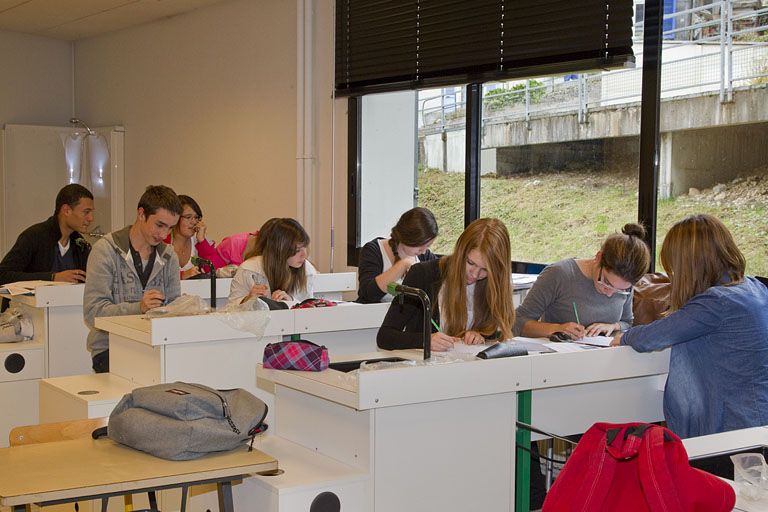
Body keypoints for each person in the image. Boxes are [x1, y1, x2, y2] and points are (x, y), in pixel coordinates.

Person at [612, 214, 768, 439]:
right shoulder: (754, 287)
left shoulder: (716, 303)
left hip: (733, 429)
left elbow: (655, 335)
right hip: (756, 418)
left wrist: (623, 337)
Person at [83, 185, 182, 373]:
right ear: (141, 214)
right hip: (110, 349)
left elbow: (174, 307)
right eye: (159, 225)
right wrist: (139, 308)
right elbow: (93, 313)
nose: (164, 235)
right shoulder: (105, 251)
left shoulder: (169, 256)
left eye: (170, 228)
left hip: (156, 347)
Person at [377, 218, 515, 351]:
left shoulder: (494, 286)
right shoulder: (423, 275)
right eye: (470, 263)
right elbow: (385, 337)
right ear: (460, 252)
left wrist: (479, 336)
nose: (474, 274)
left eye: (485, 270)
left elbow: (496, 334)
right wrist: (425, 340)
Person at [514, 223, 651, 339]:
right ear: (599, 257)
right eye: (606, 283)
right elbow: (518, 322)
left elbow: (627, 322)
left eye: (620, 291)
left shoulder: (626, 283)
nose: (609, 293)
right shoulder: (559, 274)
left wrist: (613, 326)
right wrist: (557, 328)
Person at [0, 184, 94, 286]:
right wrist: (52, 277)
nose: (91, 218)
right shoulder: (33, 236)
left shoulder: (81, 245)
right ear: (66, 210)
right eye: (86, 212)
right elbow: (3, 275)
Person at [356, 207, 439, 303]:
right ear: (407, 237)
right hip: (373, 315)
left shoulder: (425, 256)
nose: (424, 251)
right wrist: (403, 264)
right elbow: (368, 294)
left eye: (428, 246)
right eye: (420, 246)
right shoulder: (373, 250)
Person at [228, 218, 317, 304]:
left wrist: (291, 301)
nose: (304, 255)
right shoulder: (249, 270)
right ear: (280, 250)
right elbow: (229, 310)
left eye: (304, 247)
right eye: (297, 250)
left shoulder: (307, 270)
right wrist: (247, 300)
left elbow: (309, 310)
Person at [166, 195, 227, 279]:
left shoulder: (198, 239)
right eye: (188, 217)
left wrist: (202, 241)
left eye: (196, 217)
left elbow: (218, 270)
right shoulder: (163, 239)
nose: (194, 222)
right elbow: (156, 275)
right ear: (175, 217)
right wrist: (182, 275)